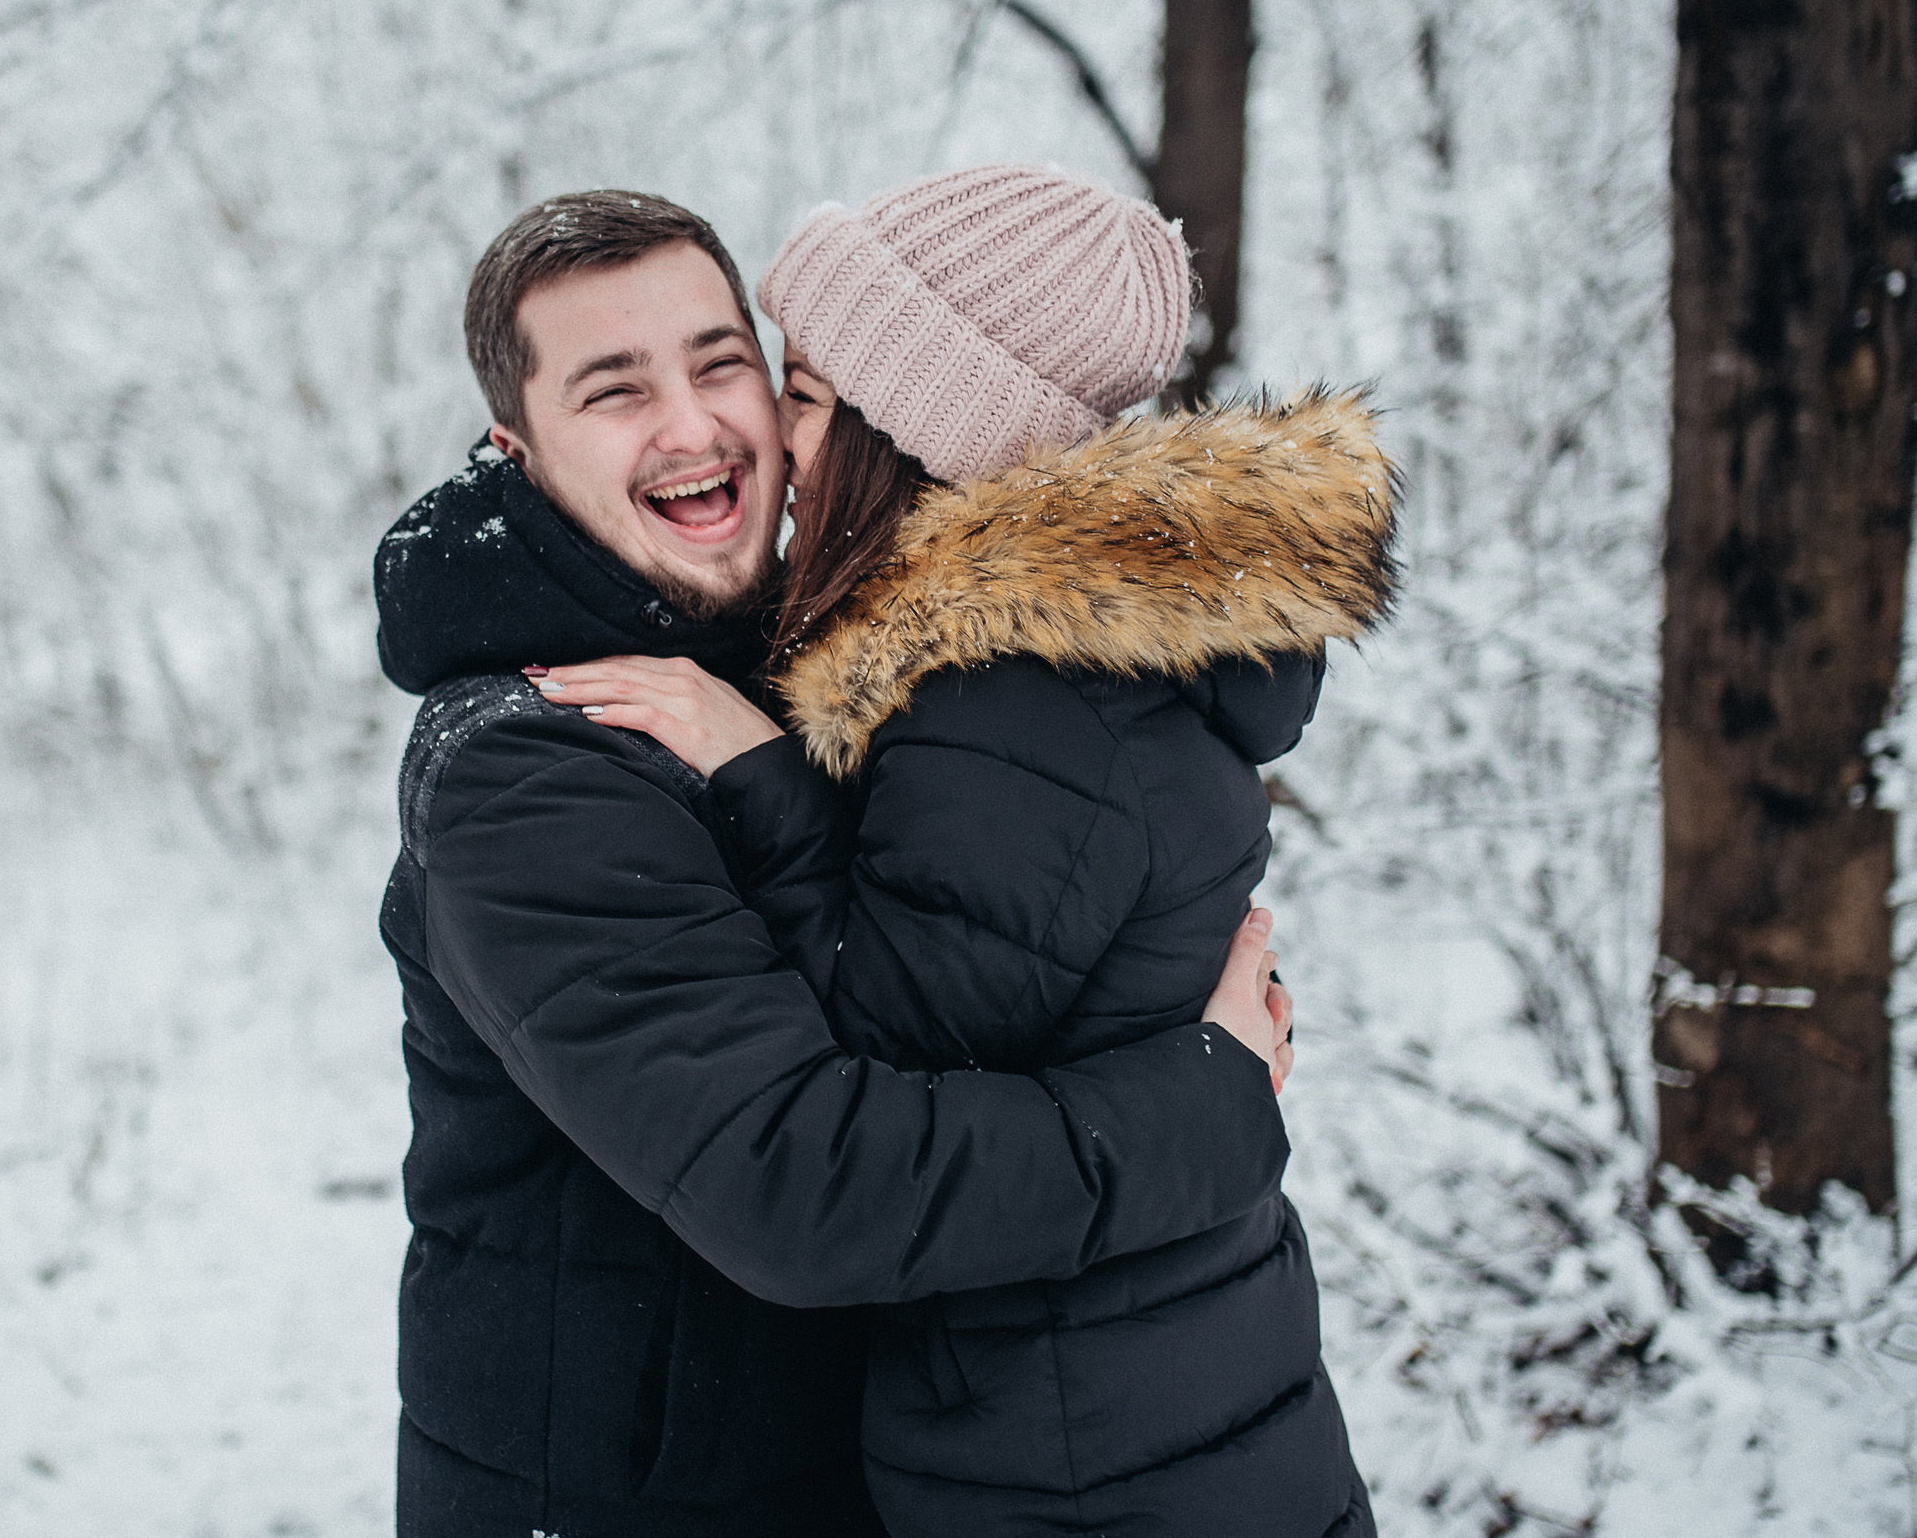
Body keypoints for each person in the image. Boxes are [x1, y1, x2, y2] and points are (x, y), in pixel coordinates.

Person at [375, 188, 1300, 1538]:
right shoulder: (534, 759)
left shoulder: (817, 656)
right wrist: (1203, 1113)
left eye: (722, 362)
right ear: (517, 448)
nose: (692, 426)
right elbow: (807, 1181)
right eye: (614, 390)